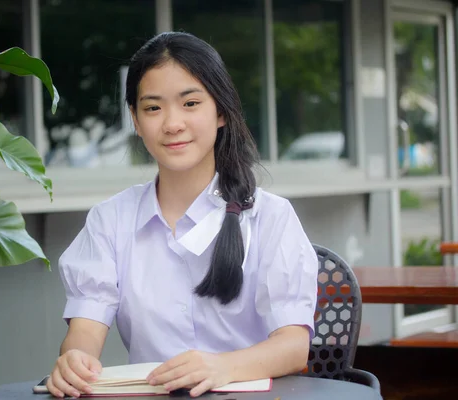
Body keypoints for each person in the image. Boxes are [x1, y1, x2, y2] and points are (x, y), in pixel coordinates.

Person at [46, 31, 318, 398]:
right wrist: (74, 360)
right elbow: (85, 333)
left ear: (221, 111)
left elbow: (293, 346)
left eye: (190, 104)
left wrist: (222, 367)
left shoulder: (271, 217)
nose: (172, 124)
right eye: (153, 108)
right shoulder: (109, 221)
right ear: (135, 121)